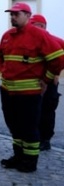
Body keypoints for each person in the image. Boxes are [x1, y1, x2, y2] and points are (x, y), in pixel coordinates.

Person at [0, 3, 64, 173]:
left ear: (27, 15)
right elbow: (1, 59)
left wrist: (47, 79)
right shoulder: (7, 36)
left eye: (16, 14)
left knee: (29, 127)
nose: (12, 17)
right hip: (8, 91)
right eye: (11, 14)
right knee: (14, 125)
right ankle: (18, 156)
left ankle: (30, 161)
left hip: (28, 93)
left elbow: (58, 59)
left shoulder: (38, 35)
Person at [28, 14, 64, 151]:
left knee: (47, 112)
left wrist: (56, 73)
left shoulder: (56, 41)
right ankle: (34, 137)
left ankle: (45, 139)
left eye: (33, 25)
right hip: (32, 82)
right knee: (32, 111)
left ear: (42, 26)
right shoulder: (30, 41)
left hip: (48, 84)